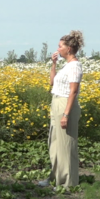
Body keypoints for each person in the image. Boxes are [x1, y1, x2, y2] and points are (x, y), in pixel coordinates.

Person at [39, 30, 84, 189]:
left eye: (60, 47)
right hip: (56, 102)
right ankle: (55, 177)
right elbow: (52, 83)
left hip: (66, 104)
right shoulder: (66, 66)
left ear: (69, 49)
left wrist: (66, 114)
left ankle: (67, 183)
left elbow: (73, 91)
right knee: (55, 143)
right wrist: (53, 64)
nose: (58, 49)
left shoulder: (74, 66)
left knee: (66, 145)